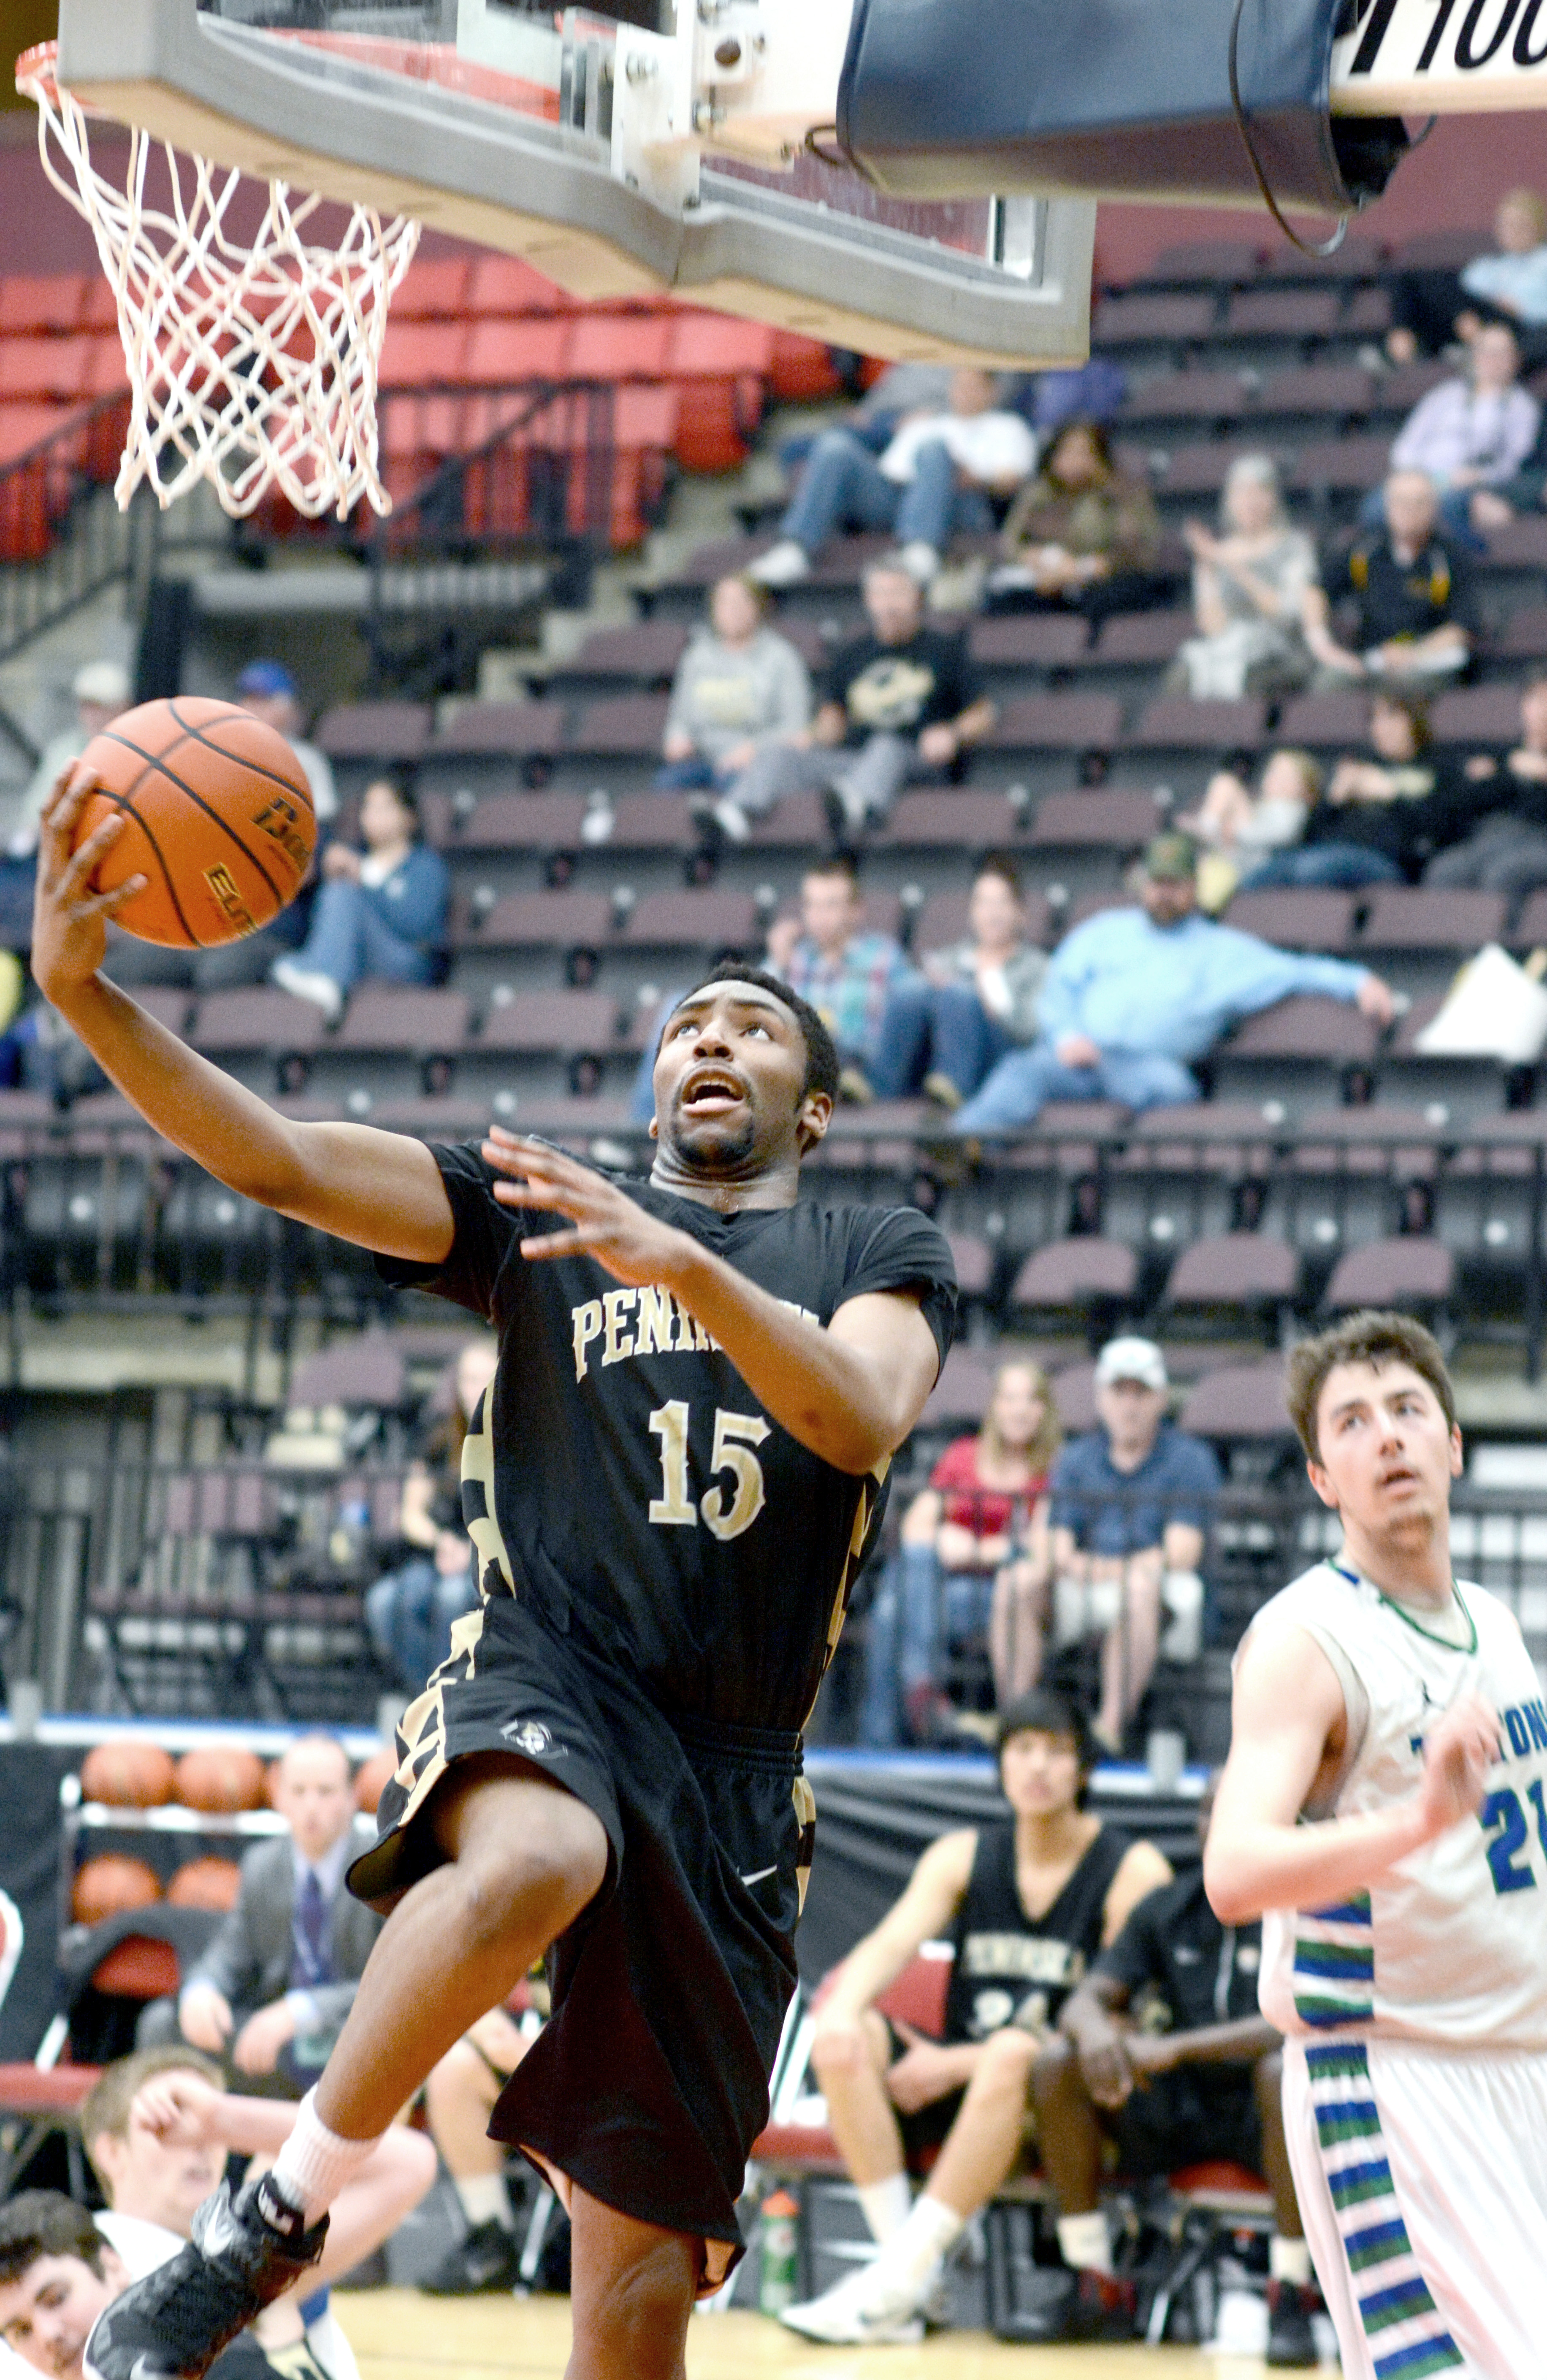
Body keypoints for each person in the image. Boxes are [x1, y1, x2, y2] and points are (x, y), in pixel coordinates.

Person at [35, 765, 959, 2380]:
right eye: (686, 1026)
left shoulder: (880, 1244)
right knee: (532, 1851)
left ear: (812, 1105)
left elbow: (863, 1408)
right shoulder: (535, 1207)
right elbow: (279, 1161)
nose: (709, 1043)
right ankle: (275, 2214)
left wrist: (677, 1258)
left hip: (736, 1776)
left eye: (750, 1026)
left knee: (631, 2300)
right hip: (554, 1665)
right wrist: (90, 1000)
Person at [1205, 1309, 1547, 2378]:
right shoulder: (1308, 1642)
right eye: (1352, 1422)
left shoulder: (1492, 1619)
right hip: (1392, 2084)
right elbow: (1234, 1871)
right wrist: (1411, 1822)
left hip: (1520, 2069)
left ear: (1453, 1442)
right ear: (1320, 1477)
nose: (1387, 1436)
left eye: (1406, 1410)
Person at [779, 1690, 1171, 2347]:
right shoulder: (961, 1855)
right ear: (1000, 1763)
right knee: (843, 2038)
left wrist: (954, 2064)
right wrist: (838, 2010)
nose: (1037, 1767)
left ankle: (890, 2286)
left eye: (1055, 1751)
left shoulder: (1132, 1869)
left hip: (1066, 2099)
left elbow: (1125, 2024)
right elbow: (885, 1948)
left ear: (1084, 1770)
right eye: (1021, 1749)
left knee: (1015, 2053)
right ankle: (909, 2284)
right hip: (971, 2089)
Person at [1042, 1778, 1317, 2365]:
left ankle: (1290, 2290)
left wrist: (1176, 2049)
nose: (1217, 1825)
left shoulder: (1315, 1909)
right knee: (1056, 2063)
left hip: (1261, 2113)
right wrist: (1094, 2032)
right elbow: (1085, 1998)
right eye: (1206, 1812)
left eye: (1236, 1810)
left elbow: (1299, 2020)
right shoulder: (1169, 1907)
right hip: (1179, 2109)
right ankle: (1094, 2278)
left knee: (1282, 2070)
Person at [950, 832, 1396, 1137]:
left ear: (1193, 887)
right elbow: (1057, 989)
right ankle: (961, 1146)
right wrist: (1066, 1034)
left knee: (1175, 1090)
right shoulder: (1104, 930)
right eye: (1156, 883)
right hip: (1080, 1058)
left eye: (1174, 884)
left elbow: (1295, 970)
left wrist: (1357, 981)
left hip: (1147, 1069)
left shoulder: (1222, 951)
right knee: (1020, 1072)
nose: (1163, 893)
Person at [79, 2050, 433, 2377]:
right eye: (169, 2122)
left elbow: (409, 2165)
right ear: (111, 2152)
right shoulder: (85, 2258)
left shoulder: (243, 2247)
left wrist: (222, 2119)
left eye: (206, 2129)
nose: (201, 2144)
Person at [713, 560, 996, 841]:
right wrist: (821, 732)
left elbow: (983, 712)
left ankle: (858, 805)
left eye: (898, 593)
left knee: (885, 746)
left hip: (917, 758)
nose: (890, 605)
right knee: (778, 757)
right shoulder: (851, 654)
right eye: (881, 595)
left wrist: (953, 733)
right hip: (854, 762)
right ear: (869, 601)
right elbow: (831, 717)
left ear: (916, 597)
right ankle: (736, 813)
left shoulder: (944, 649)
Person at [859, 1357, 1060, 1747]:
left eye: (1031, 1400)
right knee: (903, 1589)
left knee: (893, 1611)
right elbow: (917, 1528)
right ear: (995, 1407)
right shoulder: (964, 1455)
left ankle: (883, 1738)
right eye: (1009, 1398)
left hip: (1004, 1596)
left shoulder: (1053, 1469)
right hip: (938, 1589)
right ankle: (922, 1693)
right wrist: (951, 1542)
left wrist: (974, 1550)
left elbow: (1040, 1549)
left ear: (1045, 1410)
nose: (1019, 1410)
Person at [173, 1737, 381, 2094]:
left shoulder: (381, 1869)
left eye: (326, 1792)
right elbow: (228, 1955)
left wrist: (299, 2012)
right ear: (279, 1797)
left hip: (360, 2043)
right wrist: (202, 1990)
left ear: (352, 1798)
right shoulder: (262, 1866)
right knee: (164, 2025)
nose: (311, 1806)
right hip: (281, 2046)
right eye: (298, 1791)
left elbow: (389, 1985)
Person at [1042, 1337, 1220, 1755]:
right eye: (1118, 1392)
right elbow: (1058, 1549)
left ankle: (1107, 1731)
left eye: (1140, 1392)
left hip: (1162, 1590)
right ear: (1101, 1399)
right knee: (1020, 1581)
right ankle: (1018, 1726)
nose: (1129, 1404)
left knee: (1140, 1589)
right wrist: (1107, 1568)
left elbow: (1181, 1553)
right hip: (1086, 1584)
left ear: (1161, 1399)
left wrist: (1105, 1569)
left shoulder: (1190, 1459)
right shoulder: (1074, 1458)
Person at [750, 368, 1035, 590]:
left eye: (974, 386)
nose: (964, 393)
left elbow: (1013, 481)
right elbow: (890, 472)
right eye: (959, 385)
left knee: (935, 451)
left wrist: (974, 478)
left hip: (963, 505)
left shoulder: (1008, 427)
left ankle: (921, 550)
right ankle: (796, 547)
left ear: (992, 391)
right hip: (903, 498)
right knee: (835, 445)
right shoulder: (929, 422)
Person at [364, 1338, 498, 1693]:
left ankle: (449, 1695)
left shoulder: (518, 1440)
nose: (476, 1389)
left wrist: (471, 1553)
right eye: (468, 1379)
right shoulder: (437, 1438)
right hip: (436, 1551)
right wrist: (442, 1542)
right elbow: (410, 1514)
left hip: (488, 1562)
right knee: (387, 1601)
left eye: (485, 1378)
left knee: (452, 1597)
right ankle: (429, 1692)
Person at [864, 856, 1047, 1108]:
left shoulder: (1036, 967)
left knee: (958, 995)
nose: (992, 914)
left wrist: (993, 999)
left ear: (1020, 912)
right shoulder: (951, 957)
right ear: (973, 911)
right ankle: (878, 1088)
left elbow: (1032, 1033)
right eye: (984, 903)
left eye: (1002, 903)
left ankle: (954, 1087)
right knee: (910, 991)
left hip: (1001, 1058)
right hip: (933, 1056)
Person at [1239, 693, 1468, 892]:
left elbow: (1441, 829)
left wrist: (1391, 794)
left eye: (1391, 717)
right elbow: (1311, 831)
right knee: (1255, 878)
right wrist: (1335, 799)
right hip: (1330, 851)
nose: (1380, 727)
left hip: (1388, 860)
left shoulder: (1438, 767)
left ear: (1414, 721)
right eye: (1375, 719)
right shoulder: (1361, 761)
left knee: (1312, 868)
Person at [271, 776, 449, 1023]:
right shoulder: (357, 858)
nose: (375, 815)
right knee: (337, 891)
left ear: (409, 817)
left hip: (407, 960)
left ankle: (327, 978)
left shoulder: (425, 865)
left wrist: (362, 879)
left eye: (386, 807)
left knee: (343, 893)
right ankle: (322, 973)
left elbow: (415, 925)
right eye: (369, 807)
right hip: (359, 958)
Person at [653, 576, 811, 830]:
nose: (732, 611)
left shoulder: (782, 658)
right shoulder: (697, 657)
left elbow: (796, 730)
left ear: (757, 608)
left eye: (740, 603)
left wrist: (753, 749)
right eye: (724, 603)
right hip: (702, 758)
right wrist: (677, 737)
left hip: (752, 763)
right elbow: (680, 716)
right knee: (664, 789)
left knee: (735, 792)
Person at [0, 660, 131, 963]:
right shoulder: (64, 748)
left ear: (122, 707)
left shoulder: (130, 754)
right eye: (86, 705)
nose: (92, 714)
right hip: (39, 856)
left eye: (101, 706)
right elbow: (32, 819)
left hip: (92, 865)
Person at [1305, 469, 1478, 692]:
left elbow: (1464, 627)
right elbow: (1317, 590)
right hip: (1371, 658)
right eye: (1401, 502)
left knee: (1403, 688)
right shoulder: (1365, 550)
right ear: (1387, 506)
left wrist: (1415, 654)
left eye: (1420, 503)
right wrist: (1323, 646)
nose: (1410, 511)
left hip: (1427, 662)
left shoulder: (1451, 558)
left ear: (1434, 508)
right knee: (1329, 683)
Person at [986, 420, 1164, 626]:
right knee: (1004, 600)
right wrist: (1038, 558)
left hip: (1103, 580)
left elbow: (1136, 551)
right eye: (1067, 452)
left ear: (1100, 457)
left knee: (1106, 598)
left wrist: (1083, 569)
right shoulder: (1039, 494)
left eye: (1082, 452)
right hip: (1048, 577)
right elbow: (1014, 543)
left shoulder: (1123, 493)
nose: (1074, 460)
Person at [1379, 322, 1539, 548]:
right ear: (1475, 356)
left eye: (1503, 353)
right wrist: (1421, 479)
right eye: (1488, 352)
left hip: (1471, 486)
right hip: (1421, 480)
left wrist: (1480, 476)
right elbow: (1405, 447)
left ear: (1515, 359)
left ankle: (1454, 571)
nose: (1495, 360)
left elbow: (1515, 463)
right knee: (1377, 508)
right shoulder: (1444, 396)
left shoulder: (1522, 407)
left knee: (1453, 506)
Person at [764, 855, 913, 1095]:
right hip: (805, 1067)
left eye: (831, 905)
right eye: (812, 905)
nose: (819, 915)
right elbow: (754, 1010)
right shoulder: (793, 958)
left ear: (857, 910)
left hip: (868, 1070)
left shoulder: (885, 958)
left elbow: (907, 1026)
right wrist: (776, 962)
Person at [1174, 456, 1317, 701]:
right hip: (1230, 647)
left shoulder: (1295, 546)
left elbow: (1287, 614)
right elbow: (1212, 628)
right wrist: (1207, 569)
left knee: (1254, 679)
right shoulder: (1217, 553)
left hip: (1281, 650)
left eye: (1259, 492)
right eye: (1241, 493)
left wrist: (1235, 567)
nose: (1250, 503)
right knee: (1182, 676)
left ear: (1273, 498)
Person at [418, 2004, 534, 2294]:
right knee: (452, 2068)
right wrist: (483, 2018)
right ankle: (492, 2237)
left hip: (603, 2051)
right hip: (532, 2052)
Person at [1424, 667, 1547, 914]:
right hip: (1493, 837)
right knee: (1446, 870)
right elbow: (1460, 805)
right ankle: (1451, 951)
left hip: (1540, 841)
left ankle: (1497, 951)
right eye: (1535, 699)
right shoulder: (1501, 756)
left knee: (1505, 872)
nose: (1542, 710)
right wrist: (1500, 774)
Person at [1387, 187, 1547, 369]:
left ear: (1539, 227)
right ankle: (1402, 340)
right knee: (1415, 279)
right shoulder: (1490, 265)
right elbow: (1458, 292)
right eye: (1506, 224)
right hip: (1478, 318)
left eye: (1520, 224)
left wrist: (1521, 308)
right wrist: (1463, 312)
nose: (1512, 231)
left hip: (1522, 329)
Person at [1179, 747, 1321, 912]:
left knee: (1227, 783)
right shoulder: (1262, 805)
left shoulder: (1293, 808)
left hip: (1258, 864)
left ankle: (1207, 831)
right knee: (1224, 782)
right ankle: (1208, 829)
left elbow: (1280, 835)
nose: (1278, 779)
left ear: (1306, 788)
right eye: (1274, 772)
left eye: (1287, 776)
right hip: (1237, 855)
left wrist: (1237, 832)